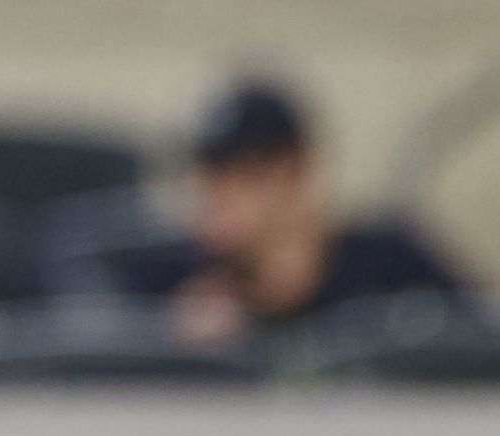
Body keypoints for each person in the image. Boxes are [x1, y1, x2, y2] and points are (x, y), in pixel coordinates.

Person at [170, 79, 464, 348]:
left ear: (295, 171)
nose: (217, 197)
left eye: (243, 178)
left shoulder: (390, 265)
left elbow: (486, 340)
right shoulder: (178, 277)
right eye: (208, 178)